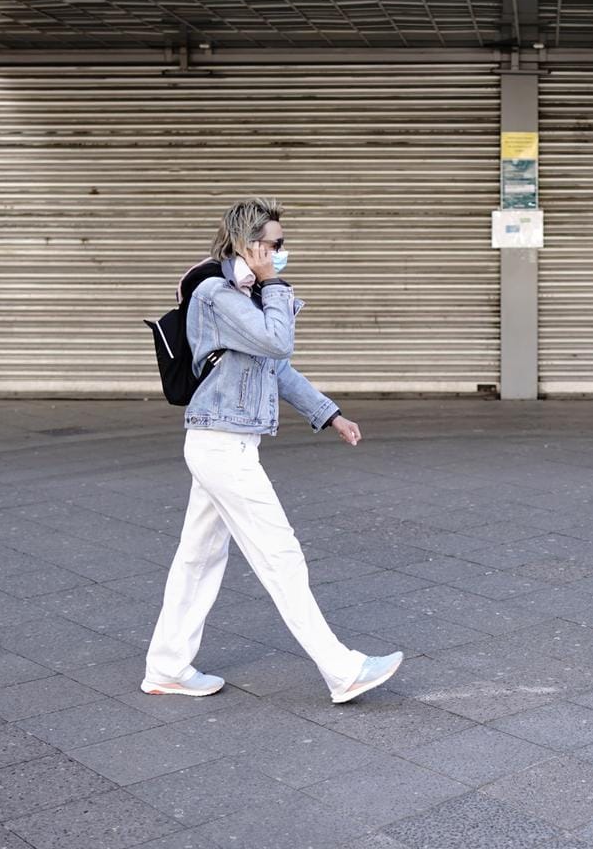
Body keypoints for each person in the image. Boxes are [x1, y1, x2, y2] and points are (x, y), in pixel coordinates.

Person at [142, 196, 402, 705]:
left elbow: (275, 368)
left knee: (198, 559)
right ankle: (341, 669)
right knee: (279, 555)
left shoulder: (247, 294)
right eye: (276, 245)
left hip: (225, 443)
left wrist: (328, 414)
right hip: (222, 446)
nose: (283, 255)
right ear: (249, 245)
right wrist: (276, 287)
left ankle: (167, 666)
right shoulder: (217, 295)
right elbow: (278, 343)